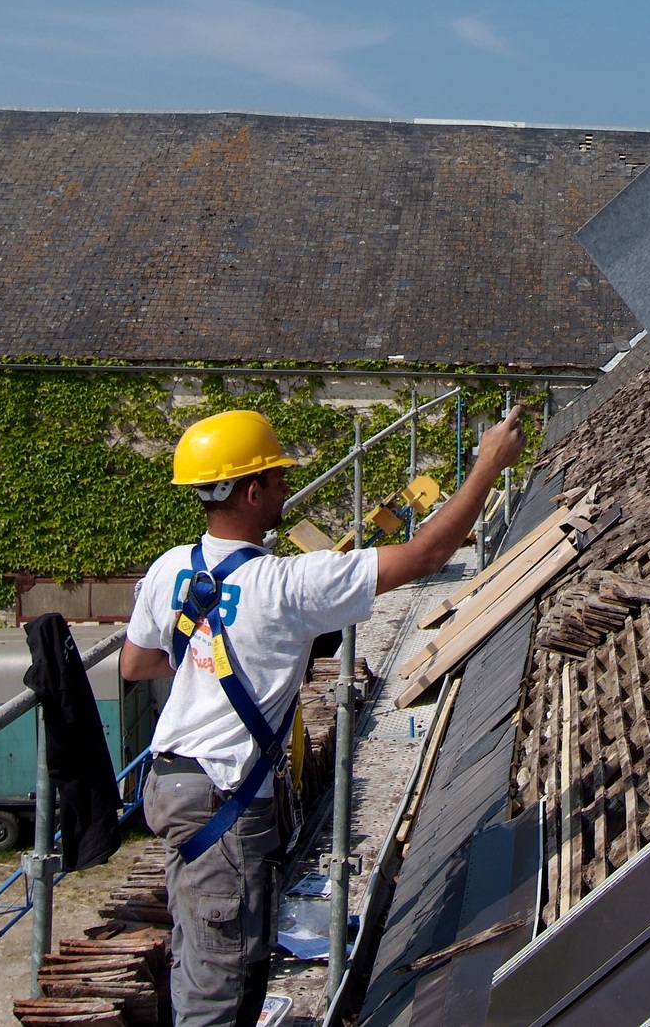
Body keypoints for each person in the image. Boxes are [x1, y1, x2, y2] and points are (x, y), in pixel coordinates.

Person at [120, 406, 526, 1027]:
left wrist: (208, 658)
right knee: (220, 989)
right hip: (226, 799)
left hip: (172, 782)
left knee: (203, 955)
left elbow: (136, 663)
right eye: (279, 477)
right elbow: (424, 555)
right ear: (251, 490)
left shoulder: (170, 568)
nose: (287, 486)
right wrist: (487, 466)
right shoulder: (285, 586)